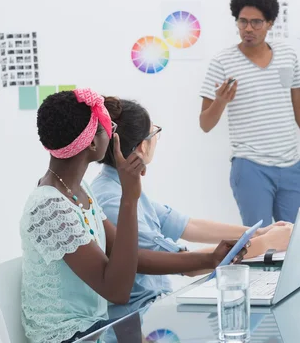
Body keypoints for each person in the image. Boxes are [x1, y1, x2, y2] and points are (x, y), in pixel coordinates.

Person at [20, 89, 244, 343]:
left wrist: (210, 259)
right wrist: (129, 198)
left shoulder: (78, 190)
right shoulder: (50, 207)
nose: (113, 131)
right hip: (72, 337)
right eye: (107, 127)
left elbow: (132, 258)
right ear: (93, 143)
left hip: (96, 328)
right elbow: (117, 291)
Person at [91, 97, 293, 318]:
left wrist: (258, 233)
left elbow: (189, 225)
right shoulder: (112, 199)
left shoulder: (117, 185)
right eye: (154, 132)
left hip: (154, 309)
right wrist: (266, 243)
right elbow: (184, 264)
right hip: (139, 317)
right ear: (142, 146)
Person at [199, 0, 300, 227]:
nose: (248, 29)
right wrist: (220, 101)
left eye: (256, 22)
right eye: (242, 22)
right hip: (250, 166)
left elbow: (299, 106)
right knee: (259, 243)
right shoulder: (222, 62)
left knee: (299, 237)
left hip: (290, 166)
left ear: (270, 23)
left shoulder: (287, 55)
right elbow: (205, 124)